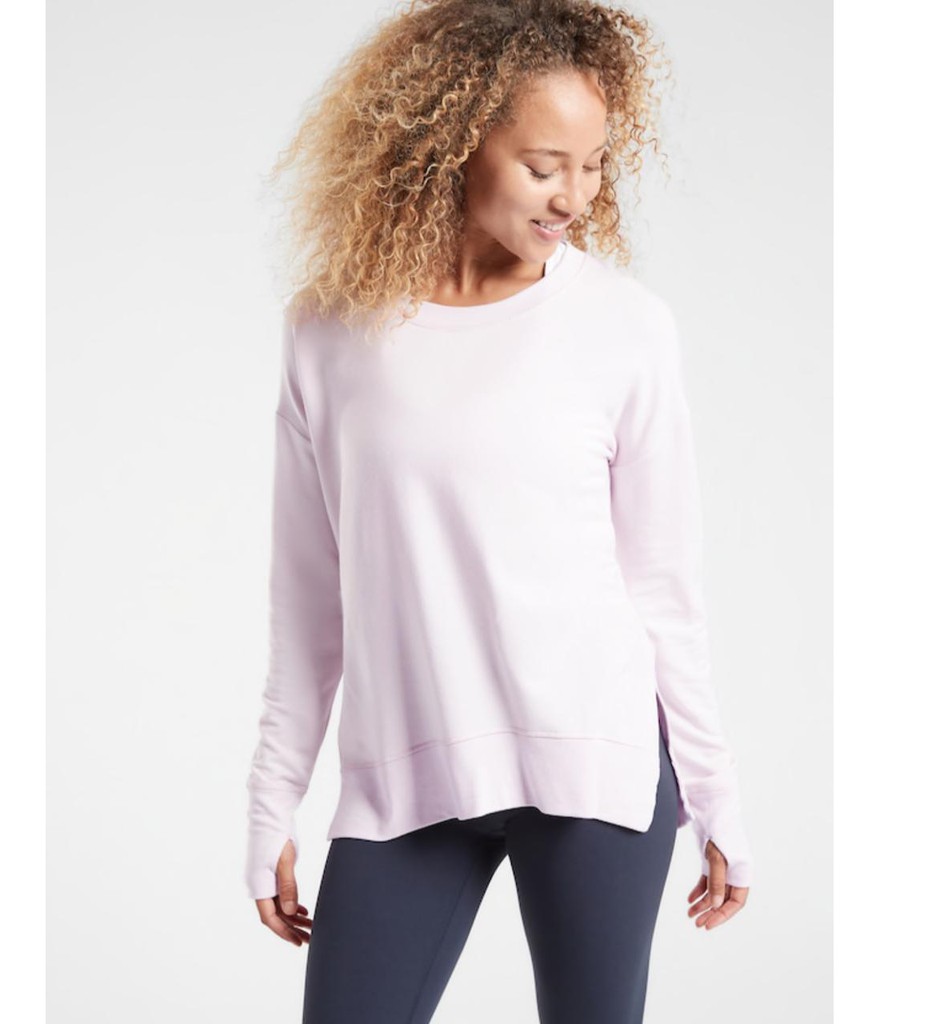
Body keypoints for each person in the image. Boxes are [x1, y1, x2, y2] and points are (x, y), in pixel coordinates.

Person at [244, 1, 753, 1020]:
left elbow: (663, 591)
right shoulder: (329, 331)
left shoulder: (624, 327)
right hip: (405, 778)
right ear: (452, 143)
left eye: (594, 164)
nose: (576, 195)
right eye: (543, 165)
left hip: (596, 769)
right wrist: (272, 804)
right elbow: (309, 605)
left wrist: (714, 795)